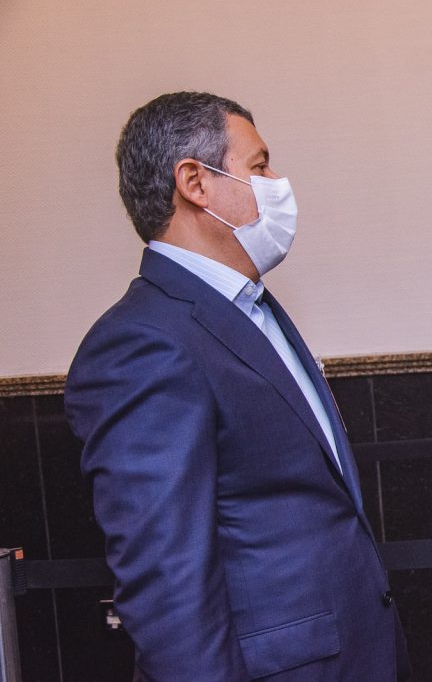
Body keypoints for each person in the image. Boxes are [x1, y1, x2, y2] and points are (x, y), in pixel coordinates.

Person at [65, 92, 408, 681]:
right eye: (259, 166)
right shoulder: (142, 342)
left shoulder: (248, 308)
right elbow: (167, 581)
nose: (276, 184)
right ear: (195, 183)